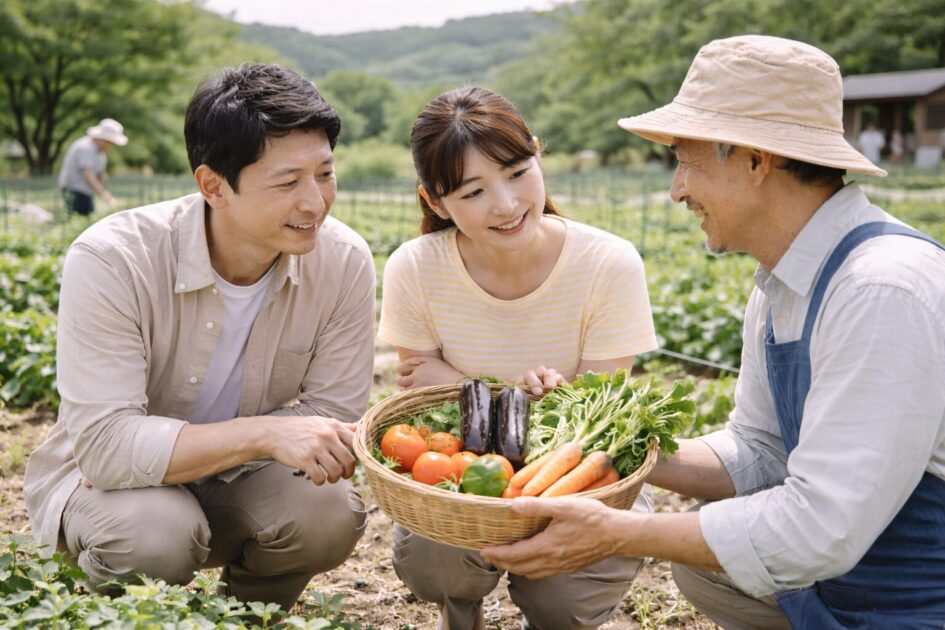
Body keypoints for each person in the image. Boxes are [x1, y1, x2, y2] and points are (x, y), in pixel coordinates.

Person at [482, 35, 945, 629]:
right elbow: (759, 451)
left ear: (755, 160)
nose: (676, 188)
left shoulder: (880, 289)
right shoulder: (781, 281)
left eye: (685, 157)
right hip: (854, 583)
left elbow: (820, 526)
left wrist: (622, 532)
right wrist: (600, 434)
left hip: (919, 600)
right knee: (704, 566)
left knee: (697, 548)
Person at [24, 63, 375, 612]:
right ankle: (120, 617)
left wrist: (218, 449)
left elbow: (330, 418)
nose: (315, 202)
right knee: (153, 534)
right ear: (214, 186)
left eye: (324, 174)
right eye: (287, 182)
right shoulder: (114, 257)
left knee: (327, 513)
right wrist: (261, 435)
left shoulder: (345, 260)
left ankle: (247, 616)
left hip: (244, 479)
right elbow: (107, 448)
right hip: (118, 494)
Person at [377, 86, 659, 630]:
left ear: (536, 152)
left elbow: (599, 420)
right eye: (473, 191)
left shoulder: (608, 263)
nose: (506, 205)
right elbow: (429, 413)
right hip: (469, 476)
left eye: (516, 172)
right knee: (437, 563)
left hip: (572, 475)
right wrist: (518, 393)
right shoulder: (415, 268)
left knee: (565, 603)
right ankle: (460, 613)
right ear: (435, 202)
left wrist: (478, 386)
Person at [57, 118, 127, 216]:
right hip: (75, 190)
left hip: (85, 191)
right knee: (80, 217)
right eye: (110, 142)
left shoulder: (100, 153)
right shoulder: (86, 148)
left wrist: (102, 177)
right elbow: (88, 175)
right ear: (104, 139)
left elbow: (99, 173)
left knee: (88, 215)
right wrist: (104, 194)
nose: (110, 146)